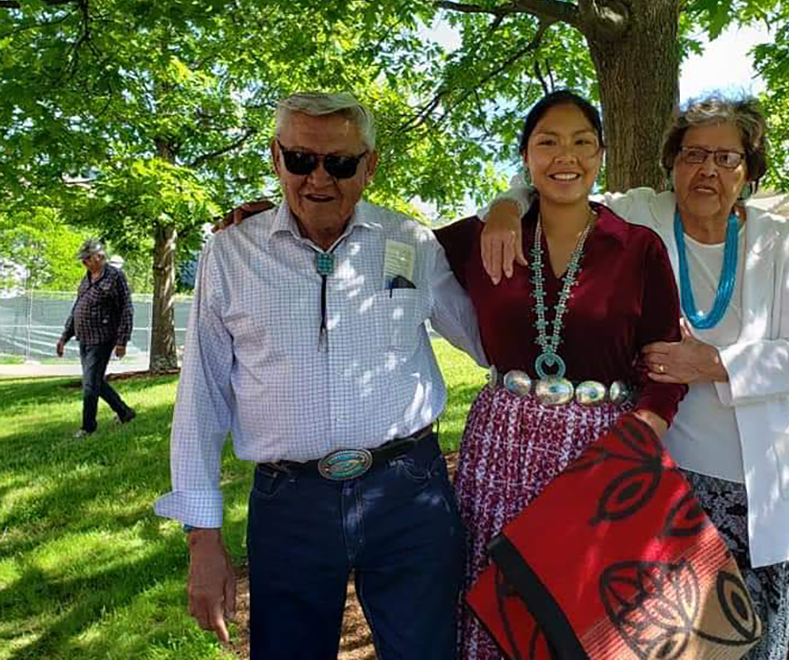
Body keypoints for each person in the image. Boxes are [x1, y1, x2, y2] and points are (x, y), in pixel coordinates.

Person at [481, 92, 789, 660]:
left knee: (747, 639)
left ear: (749, 171)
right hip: (666, 475)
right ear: (672, 162)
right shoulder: (638, 214)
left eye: (727, 158)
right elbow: (561, 183)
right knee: (659, 641)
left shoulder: (780, 243)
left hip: (758, 480)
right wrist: (505, 203)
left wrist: (716, 363)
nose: (708, 170)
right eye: (695, 154)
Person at [154, 92, 486, 660]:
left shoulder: (409, 242)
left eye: (341, 163)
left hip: (409, 492)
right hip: (290, 505)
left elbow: (487, 341)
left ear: (371, 165)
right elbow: (202, 397)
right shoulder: (230, 253)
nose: (319, 180)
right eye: (301, 160)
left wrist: (513, 203)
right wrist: (203, 539)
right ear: (275, 156)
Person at [434, 90, 686, 660]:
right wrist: (264, 214)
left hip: (602, 449)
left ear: (601, 155)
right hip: (503, 446)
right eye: (547, 142)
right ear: (525, 155)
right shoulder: (483, 237)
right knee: (500, 603)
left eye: (581, 143)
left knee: (591, 615)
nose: (564, 156)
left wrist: (643, 434)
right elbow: (387, 246)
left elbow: (665, 358)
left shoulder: (635, 246)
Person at [56, 238, 136, 439]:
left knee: (90, 384)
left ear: (99, 257)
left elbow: (126, 309)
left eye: (86, 259)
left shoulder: (115, 277)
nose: (83, 263)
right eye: (82, 260)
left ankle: (88, 427)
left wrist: (122, 340)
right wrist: (64, 337)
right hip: (84, 337)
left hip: (103, 338)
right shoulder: (86, 279)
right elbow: (77, 309)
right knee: (95, 382)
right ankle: (125, 412)